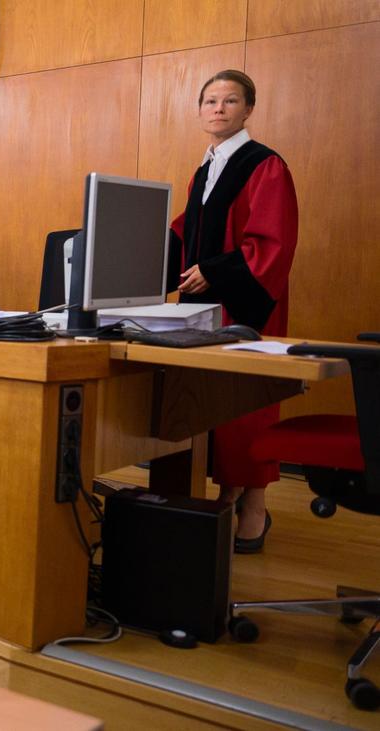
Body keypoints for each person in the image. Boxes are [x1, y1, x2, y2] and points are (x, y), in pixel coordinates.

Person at [168, 69, 299, 553]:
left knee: (245, 404)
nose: (218, 108)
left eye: (230, 100)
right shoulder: (204, 171)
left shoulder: (265, 165)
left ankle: (255, 502)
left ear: (249, 109)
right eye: (210, 101)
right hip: (203, 307)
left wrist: (216, 273)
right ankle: (228, 491)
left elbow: (272, 242)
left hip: (244, 305)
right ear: (200, 110)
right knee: (209, 403)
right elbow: (187, 233)